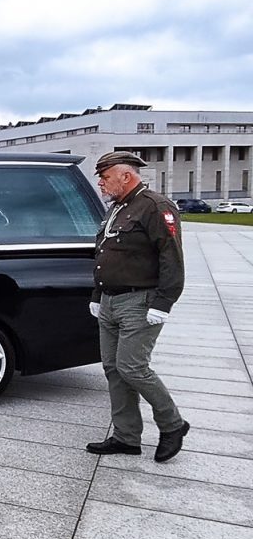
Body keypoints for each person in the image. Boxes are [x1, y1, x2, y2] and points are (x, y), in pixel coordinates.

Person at [86, 151, 189, 463]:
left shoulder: (155, 207)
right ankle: (126, 436)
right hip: (109, 300)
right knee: (114, 370)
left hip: (139, 301)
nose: (101, 184)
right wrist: (96, 294)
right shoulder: (117, 208)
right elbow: (105, 253)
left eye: (105, 178)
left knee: (133, 367)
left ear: (125, 176)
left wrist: (164, 302)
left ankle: (173, 424)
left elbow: (171, 257)